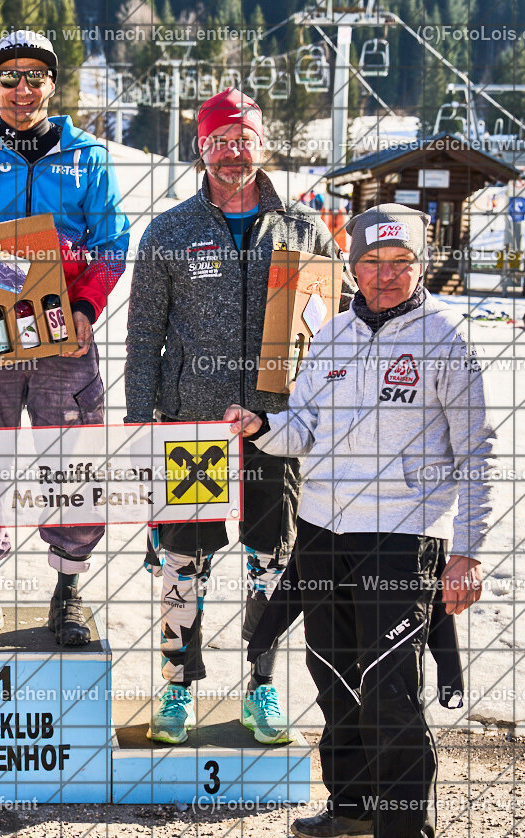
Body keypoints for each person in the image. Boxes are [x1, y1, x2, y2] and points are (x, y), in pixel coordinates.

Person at [226, 203, 498, 838]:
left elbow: (478, 452)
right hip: (321, 532)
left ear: (422, 265)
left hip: (403, 536)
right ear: (352, 266)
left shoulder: (447, 336)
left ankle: (403, 826)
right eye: (372, 262)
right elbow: (305, 429)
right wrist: (262, 427)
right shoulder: (331, 334)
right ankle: (351, 808)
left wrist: (467, 552)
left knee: (390, 689)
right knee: (333, 678)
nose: (386, 275)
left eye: (401, 262)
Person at [125, 88, 352, 746]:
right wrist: (140, 424)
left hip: (275, 426)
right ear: (201, 147)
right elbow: (143, 339)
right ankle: (177, 686)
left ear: (263, 145)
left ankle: (261, 683)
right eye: (220, 140)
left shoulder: (305, 230)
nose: (233, 152)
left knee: (271, 562)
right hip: (191, 429)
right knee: (182, 562)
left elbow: (334, 332)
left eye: (244, 139)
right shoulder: (169, 231)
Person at [0, 30, 130, 648]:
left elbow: (110, 243)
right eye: (10, 77)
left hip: (64, 335)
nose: (22, 89)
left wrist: (88, 307)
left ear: (51, 85)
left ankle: (68, 589)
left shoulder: (88, 157)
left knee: (72, 462)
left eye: (34, 77)